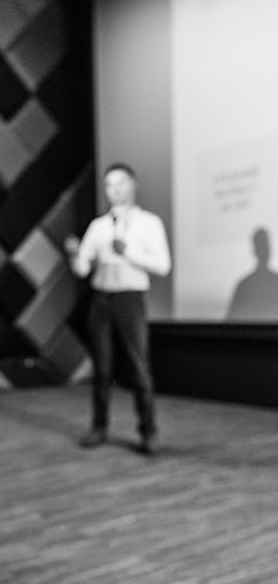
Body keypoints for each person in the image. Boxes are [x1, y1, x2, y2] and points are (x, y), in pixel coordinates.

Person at [65, 164, 171, 455]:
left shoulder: (150, 223)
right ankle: (99, 427)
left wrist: (129, 253)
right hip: (101, 300)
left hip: (130, 298)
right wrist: (75, 255)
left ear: (133, 185)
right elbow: (82, 269)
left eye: (120, 183)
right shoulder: (98, 227)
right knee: (102, 367)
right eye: (109, 184)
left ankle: (148, 431)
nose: (115, 189)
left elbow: (163, 265)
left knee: (139, 366)